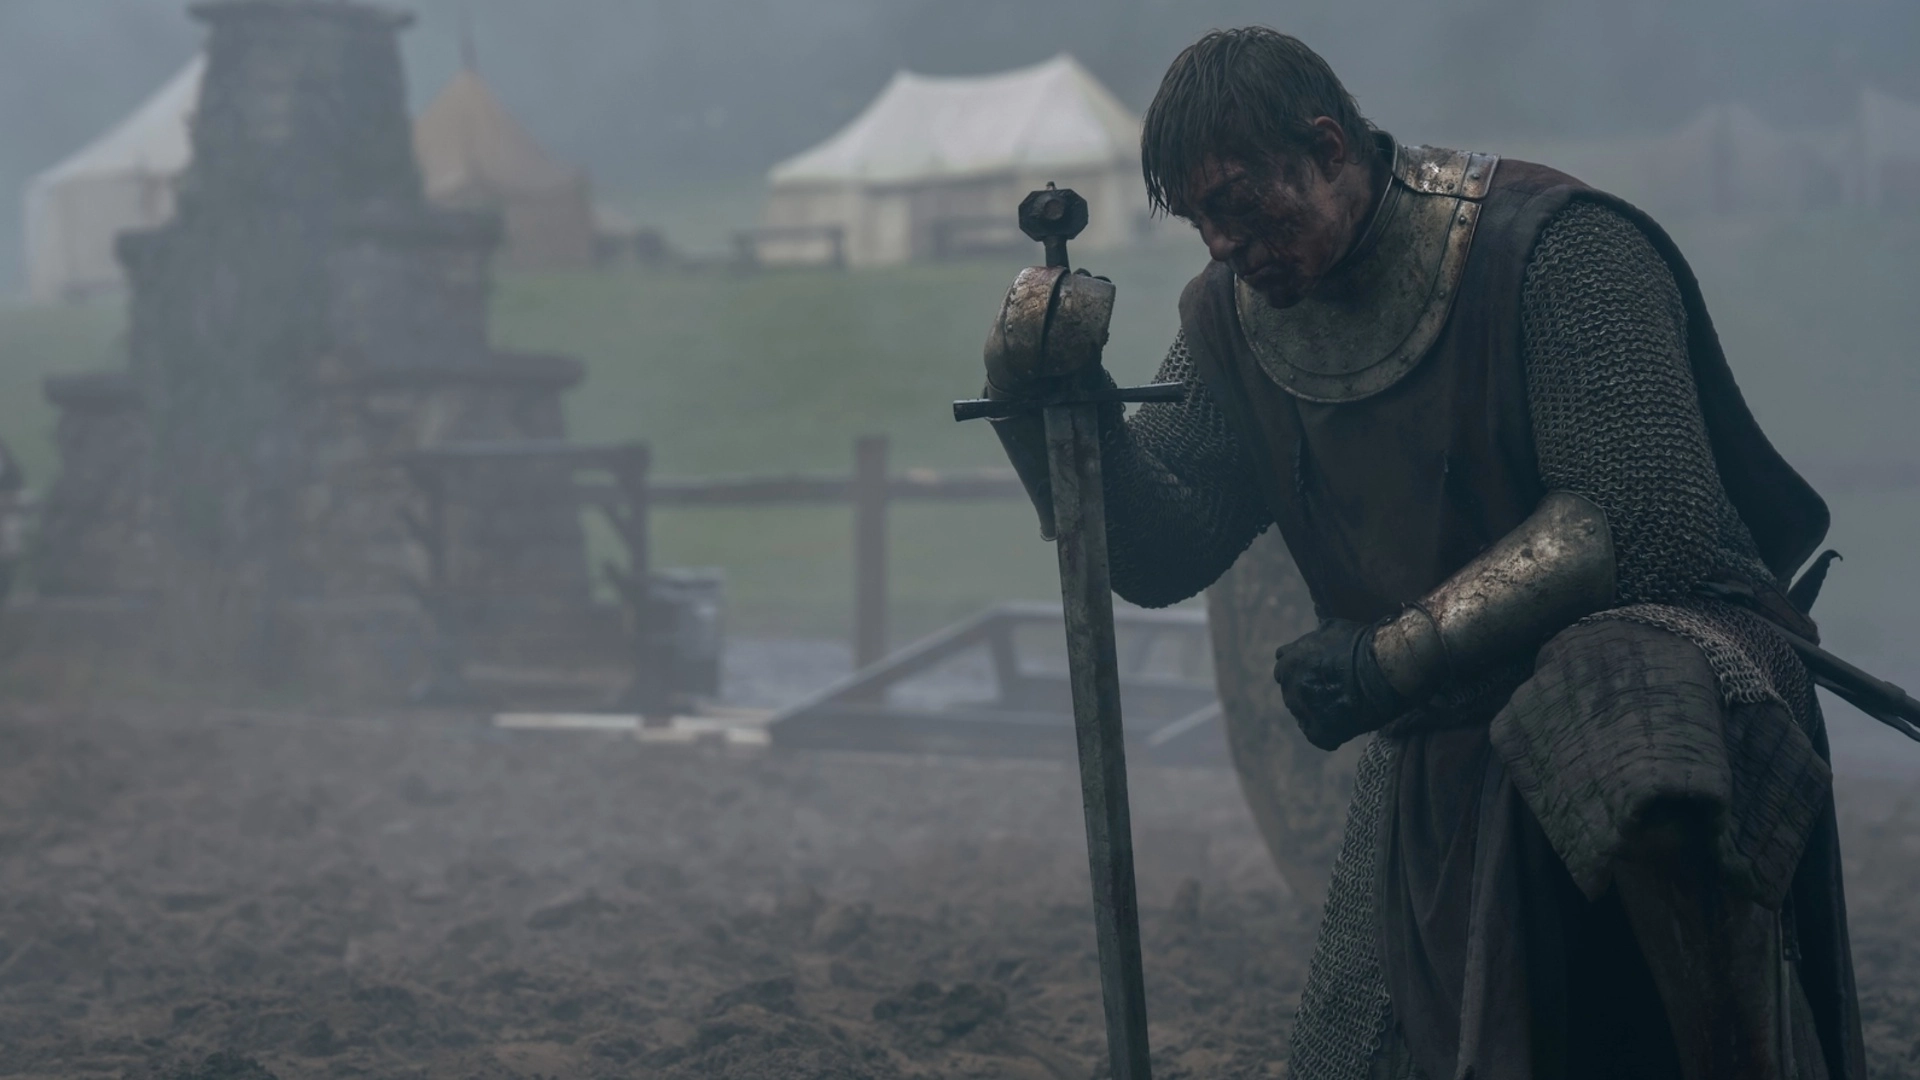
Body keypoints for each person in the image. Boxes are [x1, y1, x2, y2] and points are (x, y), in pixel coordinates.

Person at [981, 27, 1863, 1080]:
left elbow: (1633, 523)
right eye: (1201, 220)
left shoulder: (1558, 246)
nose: (1222, 244)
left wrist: (1390, 657)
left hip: (1675, 676)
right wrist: (1048, 405)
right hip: (1451, 737)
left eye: (1241, 205)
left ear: (1327, 147)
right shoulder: (1235, 321)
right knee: (1365, 1051)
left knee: (1623, 705)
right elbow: (1158, 550)